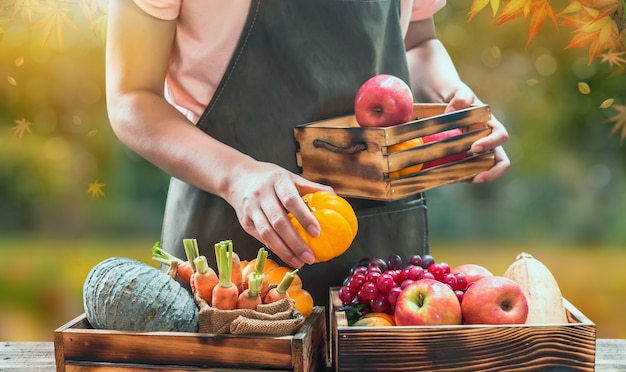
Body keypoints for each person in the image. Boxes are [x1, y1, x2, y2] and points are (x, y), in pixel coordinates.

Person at [105, 0, 510, 307]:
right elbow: (131, 98)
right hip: (228, 256)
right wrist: (237, 175)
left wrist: (453, 102)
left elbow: (419, 41)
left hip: (382, 254)